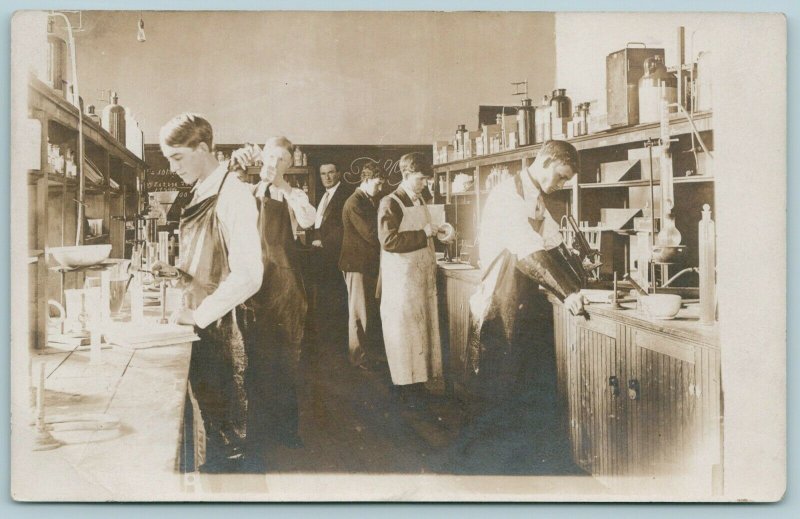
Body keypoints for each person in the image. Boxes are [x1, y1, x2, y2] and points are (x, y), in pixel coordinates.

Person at [459, 140, 587, 452]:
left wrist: (582, 282)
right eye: (559, 177)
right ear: (544, 162)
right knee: (497, 382)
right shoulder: (508, 196)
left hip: (520, 298)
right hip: (498, 299)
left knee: (521, 382)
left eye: (565, 181)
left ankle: (517, 457)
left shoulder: (535, 196)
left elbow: (553, 242)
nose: (559, 185)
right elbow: (528, 251)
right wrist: (569, 293)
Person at [153, 113, 263, 473]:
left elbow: (249, 275)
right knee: (207, 431)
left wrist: (198, 313)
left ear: (202, 148)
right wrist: (179, 272)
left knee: (225, 438)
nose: (172, 168)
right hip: (205, 326)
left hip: (223, 329)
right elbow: (210, 258)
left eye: (177, 158)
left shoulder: (234, 194)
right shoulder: (205, 188)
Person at [230, 137, 316, 457]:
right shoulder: (248, 192)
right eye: (270, 157)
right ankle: (257, 431)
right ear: (261, 157)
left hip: (285, 286)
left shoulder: (293, 195)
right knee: (254, 357)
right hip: (255, 284)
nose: (273, 164)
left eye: (281, 160)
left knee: (285, 359)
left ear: (288, 166)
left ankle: (286, 431)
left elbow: (309, 220)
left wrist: (284, 186)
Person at [377, 152, 443, 409]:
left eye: (427, 179)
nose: (425, 184)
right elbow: (389, 241)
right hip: (401, 282)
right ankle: (404, 389)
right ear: (405, 176)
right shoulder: (390, 202)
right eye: (420, 179)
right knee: (404, 334)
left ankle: (418, 385)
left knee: (421, 333)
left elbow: (427, 230)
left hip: (420, 278)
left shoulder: (420, 200)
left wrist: (439, 234)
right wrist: (423, 233)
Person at [338, 161, 387, 370]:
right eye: (378, 184)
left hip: (364, 265)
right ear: (366, 180)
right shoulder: (355, 202)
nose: (381, 188)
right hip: (356, 265)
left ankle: (365, 355)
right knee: (359, 313)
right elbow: (371, 234)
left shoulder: (367, 200)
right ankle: (358, 358)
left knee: (365, 312)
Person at [309, 163, 349, 347]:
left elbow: (344, 227)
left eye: (331, 172)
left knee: (336, 299)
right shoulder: (324, 196)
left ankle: (336, 344)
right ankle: (328, 342)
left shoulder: (344, 195)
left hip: (335, 255)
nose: (327, 177)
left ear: (338, 173)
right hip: (321, 256)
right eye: (323, 173)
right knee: (325, 300)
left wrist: (324, 242)